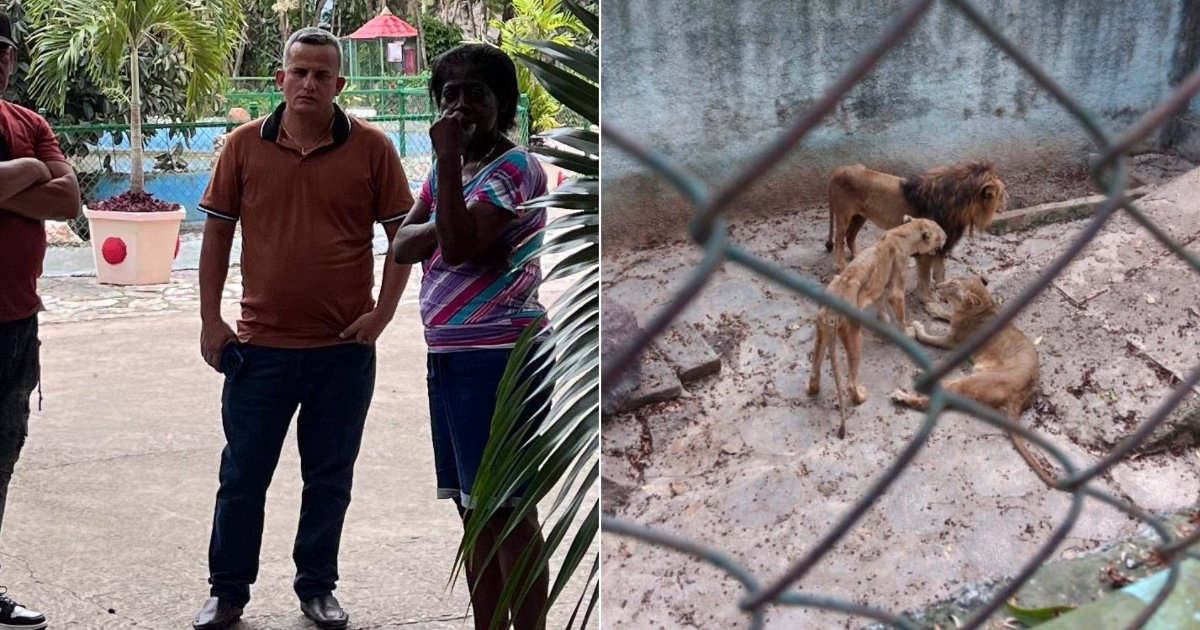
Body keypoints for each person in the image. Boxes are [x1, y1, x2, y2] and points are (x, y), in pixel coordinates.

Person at [193, 26, 413, 630]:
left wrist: (383, 314)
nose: (309, 83)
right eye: (299, 71)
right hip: (258, 348)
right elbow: (216, 237)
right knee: (241, 478)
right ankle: (227, 592)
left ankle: (317, 587)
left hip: (342, 351)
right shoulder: (242, 146)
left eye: (322, 74)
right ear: (280, 79)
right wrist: (210, 318)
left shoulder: (373, 149)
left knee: (329, 478)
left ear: (339, 84)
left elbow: (403, 240)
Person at [391, 43, 552, 630]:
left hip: (502, 360)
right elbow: (402, 246)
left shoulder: (514, 168)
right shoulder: (446, 172)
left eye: (476, 94)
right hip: (453, 359)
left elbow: (458, 247)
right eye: (450, 94)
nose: (461, 106)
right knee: (473, 510)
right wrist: (447, 187)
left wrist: (443, 203)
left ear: (503, 103)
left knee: (510, 511)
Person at [0, 11, 81, 630]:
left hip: (16, 321)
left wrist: (17, 175)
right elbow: (49, 188)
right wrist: (33, 173)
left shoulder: (28, 123)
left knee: (3, 452)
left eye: (2, 51)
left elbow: (70, 199)